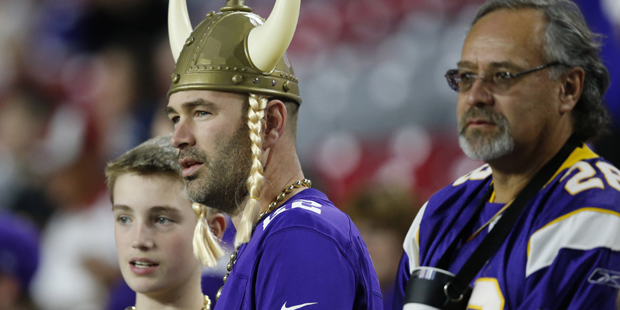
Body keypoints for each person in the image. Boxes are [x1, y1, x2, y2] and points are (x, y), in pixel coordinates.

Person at [393, 0, 620, 309]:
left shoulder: (599, 213)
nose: (475, 96)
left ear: (568, 88)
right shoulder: (436, 215)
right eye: (466, 77)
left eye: (503, 76)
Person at [165, 0, 383, 309]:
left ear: (269, 124)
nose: (178, 138)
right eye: (175, 118)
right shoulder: (272, 234)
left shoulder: (300, 234)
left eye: (201, 112)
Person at [105, 135, 227, 310]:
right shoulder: (117, 299)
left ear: (211, 233)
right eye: (124, 219)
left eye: (162, 220)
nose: (138, 241)